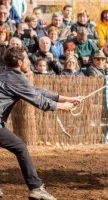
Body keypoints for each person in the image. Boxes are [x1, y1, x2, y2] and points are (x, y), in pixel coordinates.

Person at [0, 46, 80, 200]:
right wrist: (63, 107)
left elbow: (36, 90)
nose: (28, 62)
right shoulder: (16, 78)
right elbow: (39, 101)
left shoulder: (5, 73)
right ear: (18, 62)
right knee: (21, 148)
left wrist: (65, 98)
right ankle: (36, 188)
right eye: (26, 60)